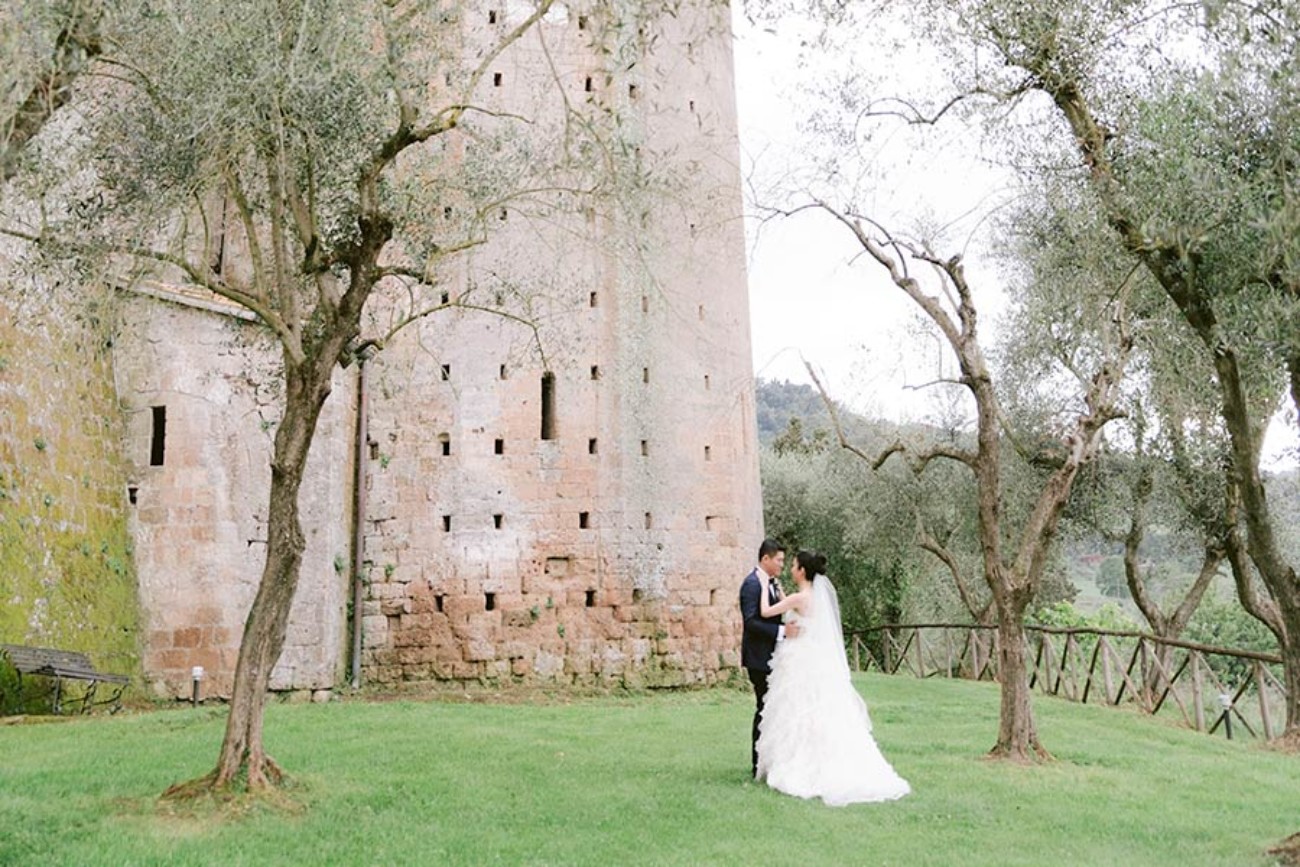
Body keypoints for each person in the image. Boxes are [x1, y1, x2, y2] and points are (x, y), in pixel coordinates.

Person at [755, 550, 911, 806]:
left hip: (797, 661)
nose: (790, 569)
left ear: (802, 571)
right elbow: (795, 609)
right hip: (813, 659)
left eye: (793, 565)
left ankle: (800, 763)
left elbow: (766, 610)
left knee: (796, 709)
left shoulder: (797, 597)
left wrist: (764, 585)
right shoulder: (814, 598)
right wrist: (783, 594)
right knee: (816, 710)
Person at [739, 539, 800, 778]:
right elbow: (751, 621)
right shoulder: (752, 584)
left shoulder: (772, 584)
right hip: (758, 657)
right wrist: (783, 632)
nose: (782, 565)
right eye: (779, 560)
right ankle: (758, 764)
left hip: (773, 656)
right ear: (765, 559)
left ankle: (769, 761)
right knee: (764, 708)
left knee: (772, 709)